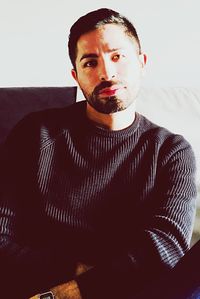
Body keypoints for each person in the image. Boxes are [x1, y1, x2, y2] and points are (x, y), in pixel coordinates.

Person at [0, 7, 197, 299]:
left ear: (142, 62)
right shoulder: (35, 133)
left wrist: (72, 292)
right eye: (90, 62)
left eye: (117, 56)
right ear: (76, 76)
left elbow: (165, 248)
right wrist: (72, 270)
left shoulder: (171, 151)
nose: (106, 72)